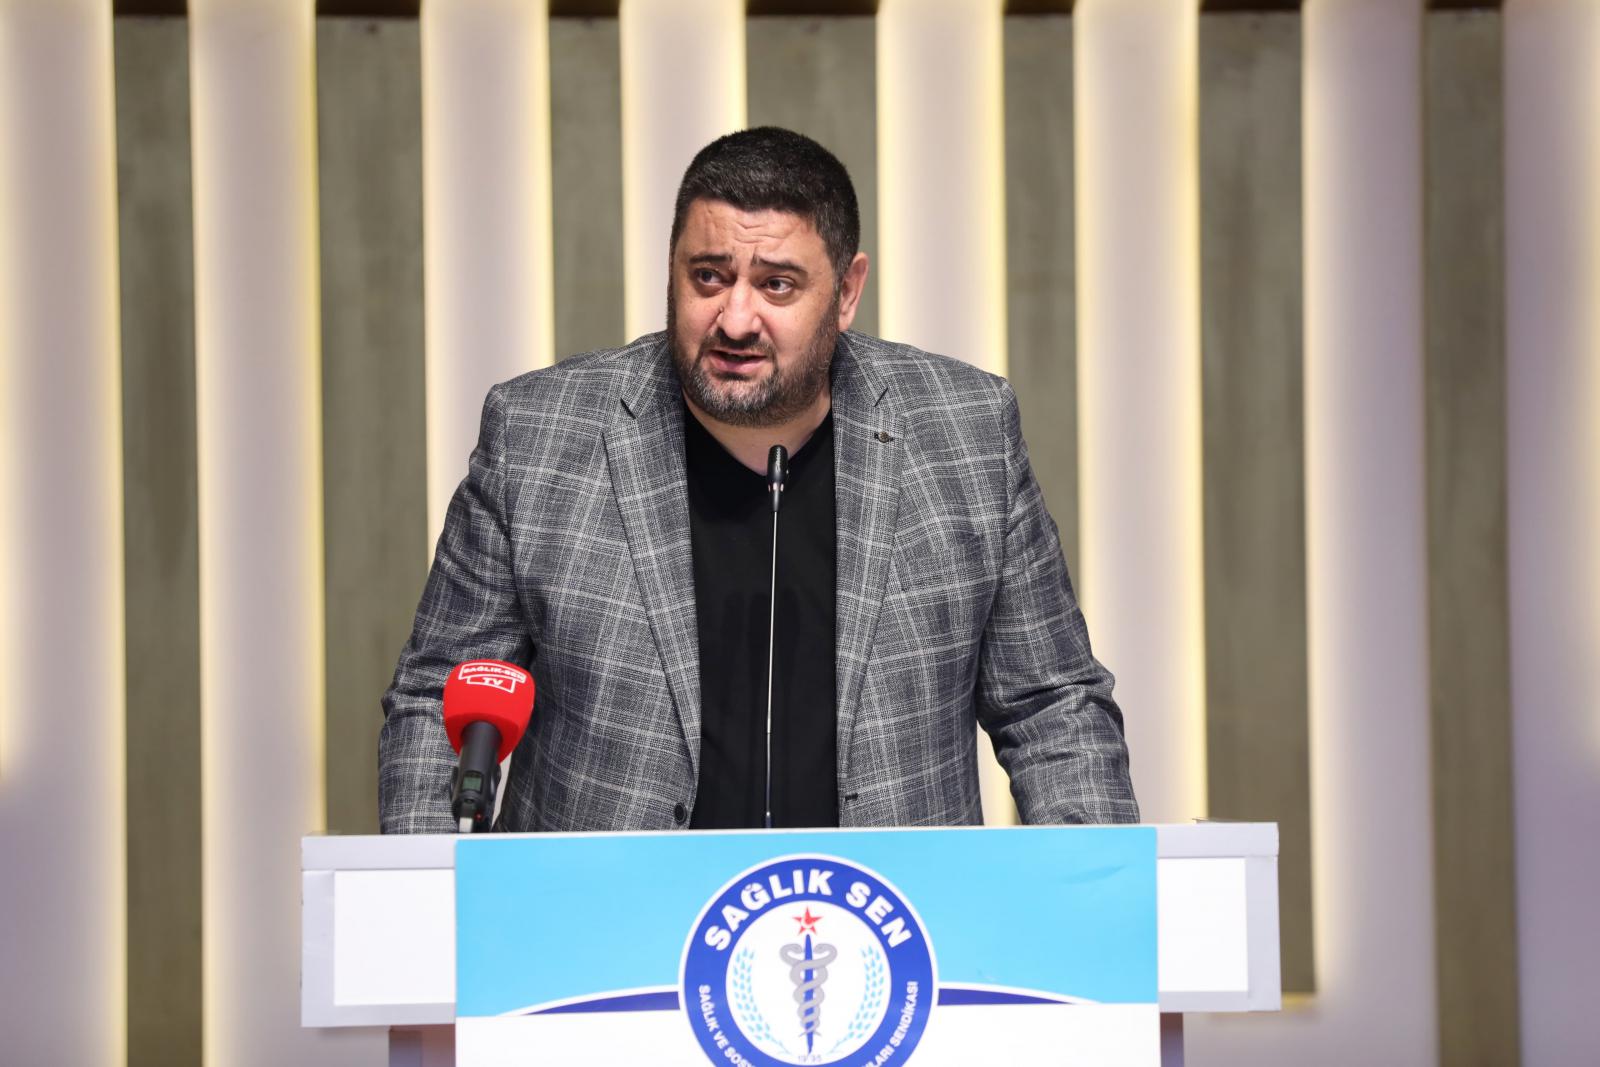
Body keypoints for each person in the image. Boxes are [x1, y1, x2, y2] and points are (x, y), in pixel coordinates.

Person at [379, 127, 1136, 833]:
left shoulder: (966, 433)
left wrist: (1094, 905)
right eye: (708, 277)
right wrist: (429, 906)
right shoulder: (538, 436)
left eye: (777, 285)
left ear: (846, 291)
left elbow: (1053, 709)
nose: (735, 320)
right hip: (608, 922)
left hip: (886, 920)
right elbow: (436, 703)